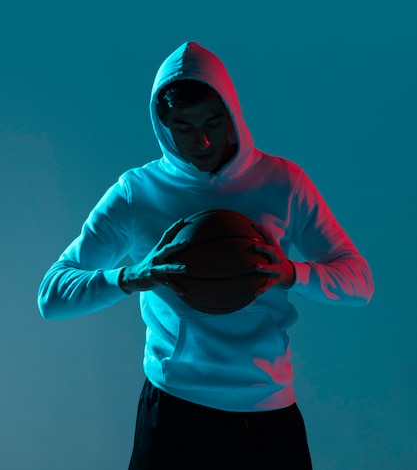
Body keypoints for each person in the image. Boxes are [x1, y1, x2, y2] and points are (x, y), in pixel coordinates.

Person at [38, 41, 374, 469]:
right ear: (162, 125)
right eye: (184, 127)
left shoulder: (282, 182)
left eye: (214, 121)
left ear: (233, 112)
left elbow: (360, 283)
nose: (203, 139)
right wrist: (129, 277)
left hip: (268, 410)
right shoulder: (136, 192)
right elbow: (51, 296)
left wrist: (291, 273)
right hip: (175, 406)